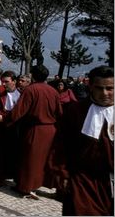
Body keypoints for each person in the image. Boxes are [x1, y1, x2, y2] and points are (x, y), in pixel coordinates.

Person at [48, 66, 113, 215]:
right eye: (99, 88)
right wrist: (62, 173)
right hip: (83, 180)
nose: (105, 93)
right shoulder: (76, 111)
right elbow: (60, 145)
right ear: (90, 86)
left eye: (110, 88)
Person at [6, 64, 62, 199]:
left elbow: (20, 110)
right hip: (51, 129)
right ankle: (42, 184)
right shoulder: (53, 91)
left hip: (35, 129)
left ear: (33, 76)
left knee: (30, 159)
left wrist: (6, 119)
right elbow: (60, 112)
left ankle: (26, 187)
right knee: (45, 159)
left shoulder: (31, 90)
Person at [0, 70, 21, 187]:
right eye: (3, 82)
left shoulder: (21, 96)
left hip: (15, 129)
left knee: (13, 153)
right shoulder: (1, 96)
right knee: (0, 153)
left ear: (14, 81)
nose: (4, 84)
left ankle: (13, 175)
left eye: (7, 82)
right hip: (1, 129)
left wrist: (4, 117)